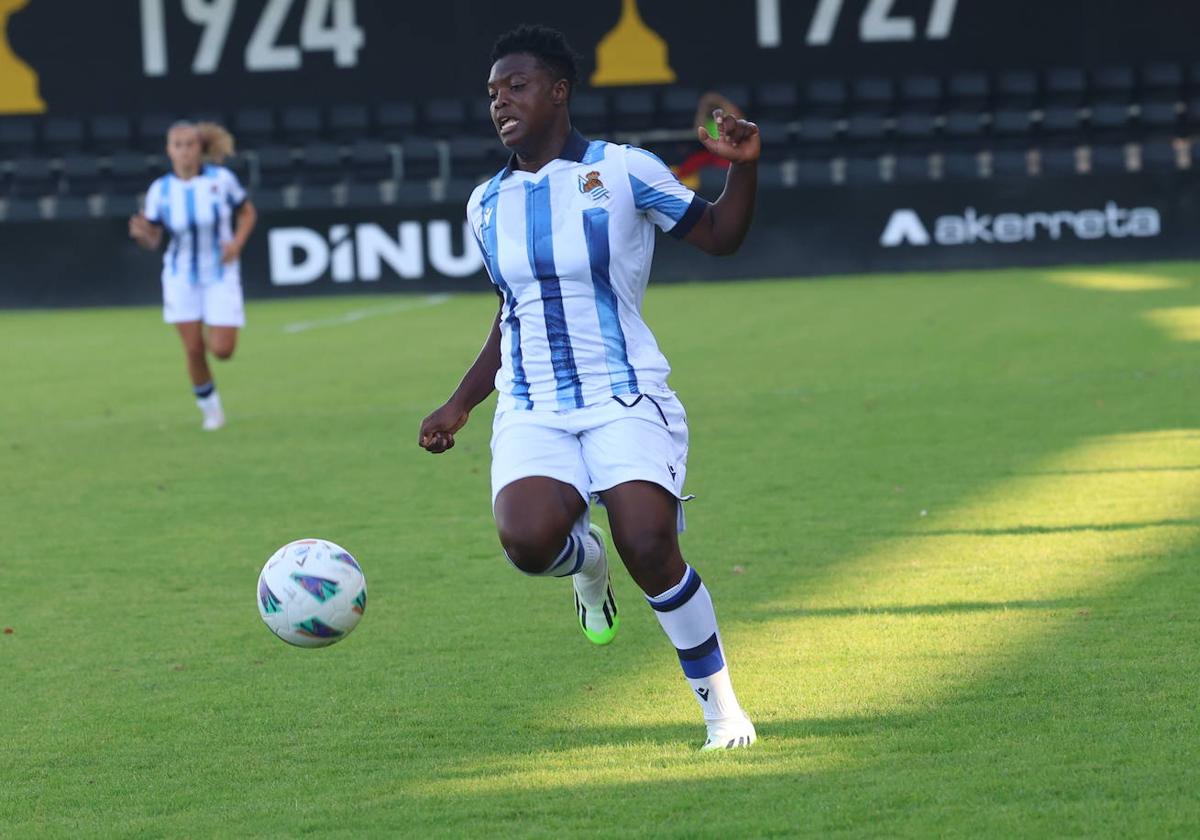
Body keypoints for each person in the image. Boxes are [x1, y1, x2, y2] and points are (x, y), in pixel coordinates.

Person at [418, 25, 760, 750]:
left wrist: (744, 168)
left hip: (624, 394)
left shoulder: (626, 170)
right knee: (528, 542)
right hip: (534, 405)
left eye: (516, 86)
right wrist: (460, 402)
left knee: (650, 544)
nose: (500, 102)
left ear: (558, 91)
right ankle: (587, 567)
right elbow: (512, 312)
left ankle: (722, 712)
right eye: (491, 93)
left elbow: (719, 235)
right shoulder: (486, 203)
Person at [128, 121, 257, 431]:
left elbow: (247, 212)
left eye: (190, 144)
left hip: (220, 272)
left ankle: (211, 397)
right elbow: (155, 239)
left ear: (201, 149)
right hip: (180, 275)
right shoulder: (161, 189)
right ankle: (210, 410)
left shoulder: (221, 180)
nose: (184, 151)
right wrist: (142, 236)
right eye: (178, 145)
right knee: (193, 348)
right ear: (169, 150)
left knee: (223, 350)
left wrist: (237, 243)